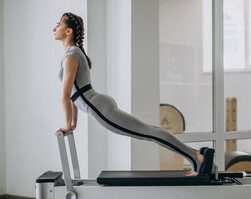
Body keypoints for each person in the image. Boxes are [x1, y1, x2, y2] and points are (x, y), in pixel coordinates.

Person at [53, 12, 209, 176]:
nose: (54, 28)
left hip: (98, 108)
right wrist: (72, 125)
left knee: (148, 132)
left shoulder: (71, 55)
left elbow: (65, 95)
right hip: (98, 104)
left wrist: (67, 125)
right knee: (148, 130)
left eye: (58, 25)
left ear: (68, 31)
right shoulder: (73, 53)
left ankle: (195, 156)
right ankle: (196, 154)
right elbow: (73, 96)